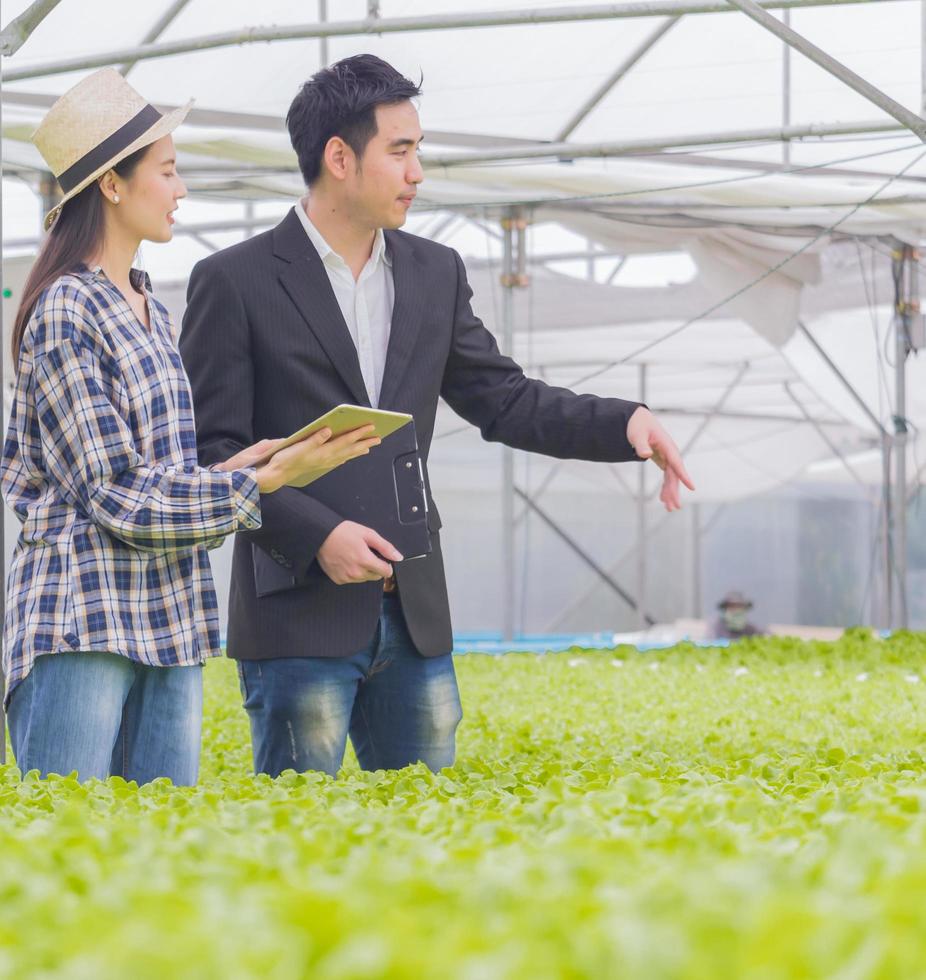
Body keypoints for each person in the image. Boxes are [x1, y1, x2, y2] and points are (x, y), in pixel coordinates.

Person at [180, 54, 695, 779]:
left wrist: (624, 424)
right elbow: (215, 454)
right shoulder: (235, 280)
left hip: (411, 609)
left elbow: (503, 398)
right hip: (297, 612)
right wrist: (319, 535)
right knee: (294, 846)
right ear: (339, 157)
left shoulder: (435, 271)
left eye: (418, 150)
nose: (418, 172)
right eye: (401, 150)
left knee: (427, 835)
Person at [1, 69, 380, 785]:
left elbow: (162, 476)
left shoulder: (152, 310)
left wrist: (253, 465)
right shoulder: (65, 311)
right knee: (73, 855)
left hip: (168, 621)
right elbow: (114, 493)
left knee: (157, 865)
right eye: (168, 171)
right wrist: (260, 486)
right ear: (111, 184)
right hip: (84, 620)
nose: (182, 191)